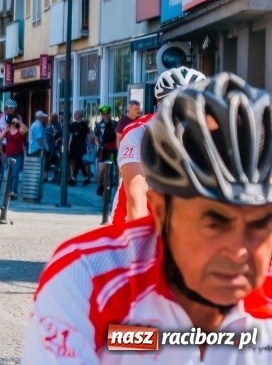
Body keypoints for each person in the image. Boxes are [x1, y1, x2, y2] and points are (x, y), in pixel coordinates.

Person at [23, 73, 272, 363]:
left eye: (260, 224)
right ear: (162, 213)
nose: (238, 249)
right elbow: (137, 195)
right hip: (130, 236)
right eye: (214, 223)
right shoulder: (85, 279)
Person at [112, 66, 207, 224]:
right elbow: (137, 200)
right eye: (172, 104)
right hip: (133, 227)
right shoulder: (138, 133)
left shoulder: (210, 134)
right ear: (158, 105)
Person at [93, 105, 118, 196]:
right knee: (101, 170)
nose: (105, 115)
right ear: (101, 115)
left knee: (118, 168)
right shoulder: (99, 125)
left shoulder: (115, 124)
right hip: (104, 148)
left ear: (110, 114)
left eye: (107, 113)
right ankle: (99, 186)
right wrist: (98, 145)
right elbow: (95, 138)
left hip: (114, 148)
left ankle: (119, 187)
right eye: (103, 114)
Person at [0, 115, 25, 200]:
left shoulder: (19, 130)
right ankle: (9, 191)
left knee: (15, 173)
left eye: (15, 122)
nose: (13, 124)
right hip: (8, 154)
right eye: (12, 122)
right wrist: (5, 130)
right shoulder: (7, 131)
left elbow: (26, 130)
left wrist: (19, 122)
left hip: (18, 154)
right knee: (8, 174)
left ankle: (14, 191)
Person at [67, 110, 92, 186]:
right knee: (78, 162)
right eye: (74, 114)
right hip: (73, 146)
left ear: (80, 115)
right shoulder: (73, 124)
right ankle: (86, 178)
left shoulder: (84, 125)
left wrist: (90, 147)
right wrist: (68, 145)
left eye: (76, 114)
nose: (74, 115)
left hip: (81, 146)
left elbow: (88, 136)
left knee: (78, 160)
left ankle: (73, 178)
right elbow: (71, 135)